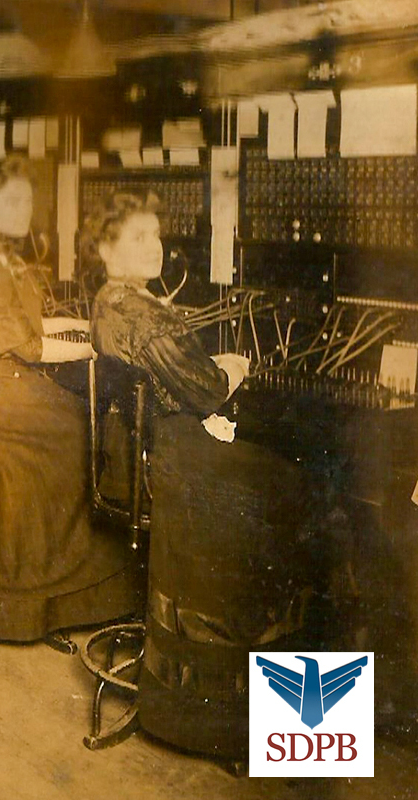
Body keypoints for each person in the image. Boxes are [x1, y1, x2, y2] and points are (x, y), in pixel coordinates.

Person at [86, 190, 315, 757]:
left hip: (143, 448)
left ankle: (287, 705)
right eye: (138, 237)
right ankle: (265, 711)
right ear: (105, 247)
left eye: (156, 234)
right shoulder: (139, 311)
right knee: (294, 484)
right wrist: (232, 367)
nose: (154, 246)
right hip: (173, 457)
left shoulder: (113, 300)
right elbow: (204, 390)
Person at [0, 154, 141, 642]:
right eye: (10, 201)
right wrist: (93, 347)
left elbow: (29, 327)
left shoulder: (5, 259)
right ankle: (45, 579)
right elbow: (26, 345)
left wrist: (80, 326)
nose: (23, 209)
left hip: (10, 373)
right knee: (76, 429)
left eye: (27, 200)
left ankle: (55, 582)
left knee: (78, 417)